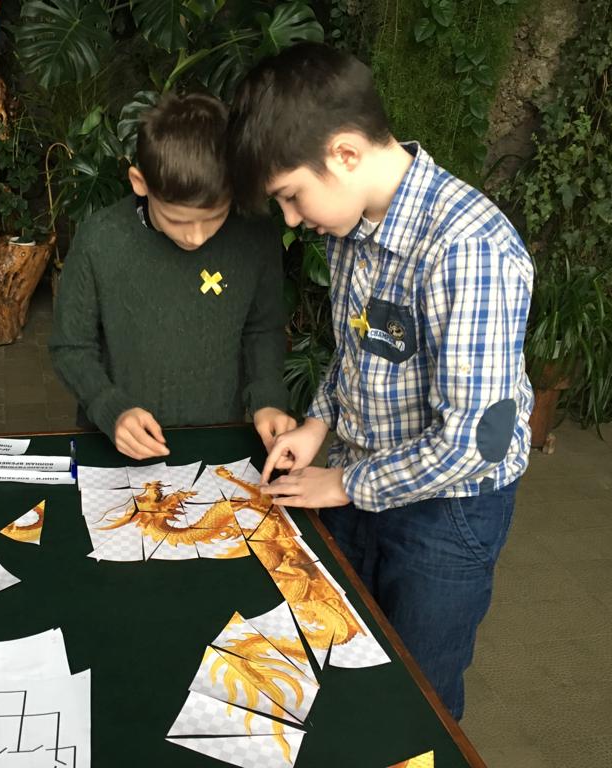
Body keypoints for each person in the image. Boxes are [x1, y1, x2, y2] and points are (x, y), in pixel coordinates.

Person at [228, 43, 533, 719]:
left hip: (446, 512)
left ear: (343, 153)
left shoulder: (468, 249)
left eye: (291, 196)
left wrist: (342, 485)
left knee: (417, 693)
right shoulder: (350, 222)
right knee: (342, 653)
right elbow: (359, 348)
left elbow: (474, 444)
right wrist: (318, 425)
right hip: (359, 477)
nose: (291, 219)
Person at [49, 92, 295, 461]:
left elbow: (263, 328)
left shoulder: (255, 235)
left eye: (214, 218)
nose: (196, 237)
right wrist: (109, 407)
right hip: (117, 445)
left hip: (217, 442)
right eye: (178, 220)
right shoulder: (100, 238)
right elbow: (71, 347)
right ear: (140, 182)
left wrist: (268, 399)